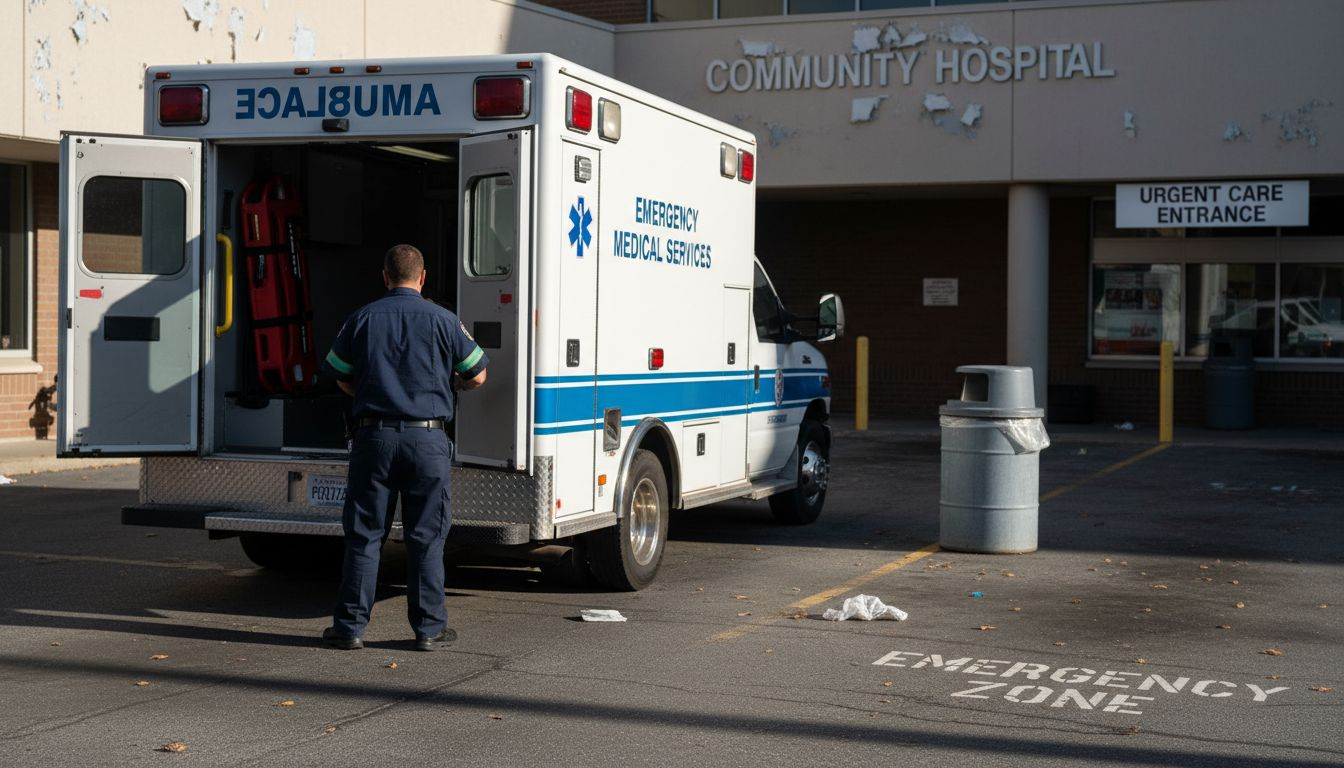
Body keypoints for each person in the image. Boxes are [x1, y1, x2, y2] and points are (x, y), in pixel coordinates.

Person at [319, 244, 487, 652]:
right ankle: (429, 629)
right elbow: (478, 375)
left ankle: (350, 629)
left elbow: (338, 373)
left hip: (373, 438)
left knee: (364, 535)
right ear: (423, 277)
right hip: (427, 440)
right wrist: (455, 384)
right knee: (426, 537)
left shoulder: (362, 318)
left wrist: (369, 392)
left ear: (385, 276)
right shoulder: (445, 320)